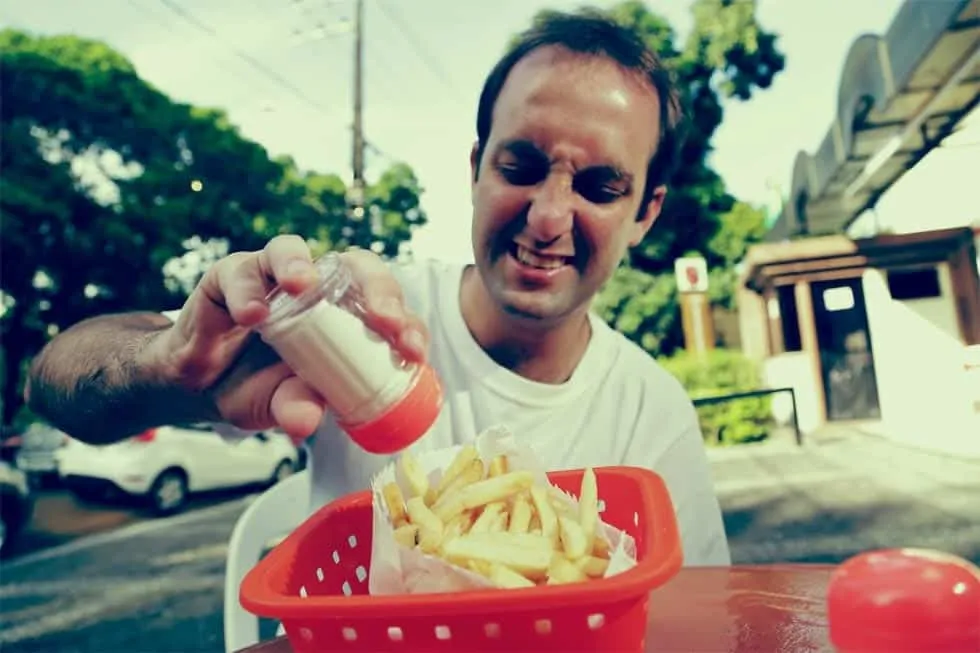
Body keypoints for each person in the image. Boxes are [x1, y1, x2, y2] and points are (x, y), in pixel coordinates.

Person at [26, 10, 730, 566]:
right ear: (477, 167)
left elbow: (693, 616)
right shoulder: (351, 325)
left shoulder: (652, 411)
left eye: (600, 186)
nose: (548, 218)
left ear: (645, 212)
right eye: (519, 165)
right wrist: (174, 363)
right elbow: (55, 382)